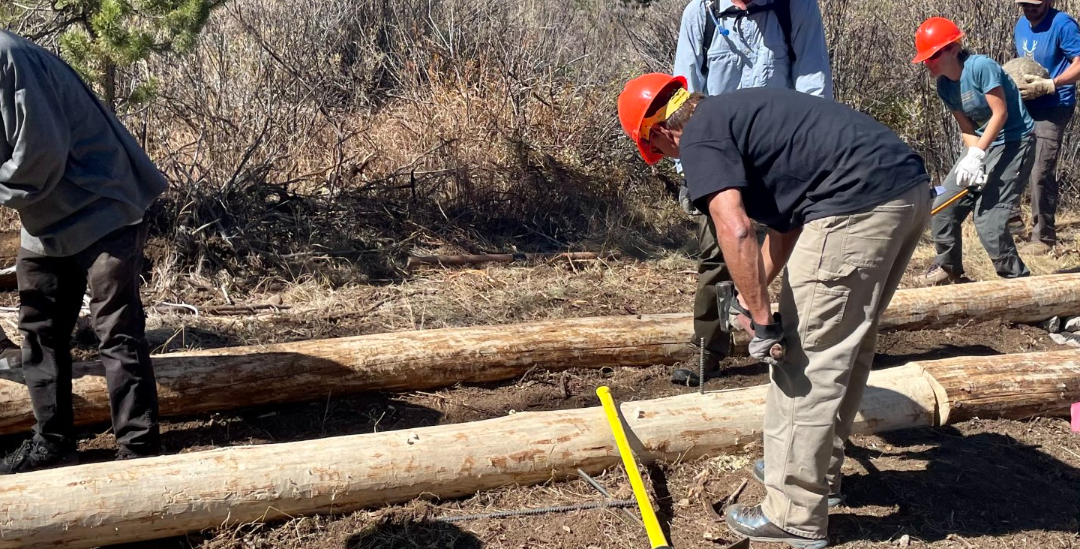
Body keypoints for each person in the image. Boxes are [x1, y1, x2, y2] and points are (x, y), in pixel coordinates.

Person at [617, 73, 930, 547]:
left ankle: (794, 513)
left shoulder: (699, 136)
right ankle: (806, 471)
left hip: (853, 206)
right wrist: (752, 291)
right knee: (846, 349)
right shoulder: (737, 116)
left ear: (659, 132)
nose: (670, 159)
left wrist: (764, 324)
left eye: (660, 153)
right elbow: (783, 230)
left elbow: (736, 230)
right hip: (904, 193)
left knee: (805, 363)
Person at [0, 30, 166, 473]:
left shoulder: (9, 57)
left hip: (101, 207)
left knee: (116, 330)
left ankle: (138, 453)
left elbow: (39, 155)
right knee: (39, 330)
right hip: (44, 220)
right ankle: (52, 443)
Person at [669, 0, 833, 385]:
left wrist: (813, 157)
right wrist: (690, 166)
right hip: (718, 155)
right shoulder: (702, 14)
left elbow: (814, 83)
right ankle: (708, 352)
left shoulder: (795, 9)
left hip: (783, 155)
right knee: (718, 257)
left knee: (805, 250)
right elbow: (685, 91)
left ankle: (802, 346)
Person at [913, 17, 1035, 286]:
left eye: (933, 55)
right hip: (981, 145)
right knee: (942, 205)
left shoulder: (981, 67)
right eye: (925, 57)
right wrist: (973, 159)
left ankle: (1018, 282)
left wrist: (978, 155)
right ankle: (950, 270)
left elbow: (1000, 114)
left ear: (953, 48)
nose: (928, 62)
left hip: (1015, 142)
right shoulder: (944, 85)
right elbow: (967, 127)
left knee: (988, 219)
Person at [1013, 0, 1080, 254]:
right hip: (1026, 105)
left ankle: (1044, 238)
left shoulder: (1062, 24)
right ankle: (1012, 221)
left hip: (1054, 105)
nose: (1029, 9)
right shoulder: (1021, 25)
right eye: (1024, 4)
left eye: (1035, 4)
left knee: (1040, 170)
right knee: (1013, 162)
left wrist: (1052, 84)